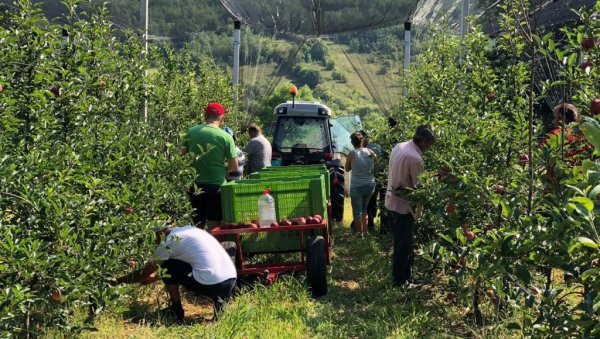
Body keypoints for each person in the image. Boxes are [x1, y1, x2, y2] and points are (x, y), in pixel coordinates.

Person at [114, 225, 237, 322]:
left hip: (212, 284)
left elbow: (143, 274)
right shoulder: (190, 230)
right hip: (230, 281)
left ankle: (176, 310)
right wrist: (156, 277)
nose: (155, 242)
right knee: (192, 265)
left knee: (168, 264)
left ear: (160, 234)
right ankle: (219, 300)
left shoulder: (168, 242)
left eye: (155, 238)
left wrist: (116, 281)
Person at [385, 124, 435, 287]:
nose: (430, 147)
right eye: (430, 143)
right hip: (404, 208)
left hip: (391, 202)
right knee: (402, 246)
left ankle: (407, 278)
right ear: (424, 141)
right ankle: (400, 281)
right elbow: (421, 189)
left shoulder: (400, 146)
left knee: (402, 243)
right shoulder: (415, 158)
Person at [181, 102, 238, 230]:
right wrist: (226, 170)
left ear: (205, 115)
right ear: (222, 118)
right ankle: (214, 248)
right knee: (215, 225)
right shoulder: (226, 137)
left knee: (196, 226)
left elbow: (181, 155)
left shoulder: (191, 132)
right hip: (215, 187)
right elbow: (234, 165)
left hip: (194, 186)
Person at [345, 131, 377, 238]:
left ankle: (360, 235)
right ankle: (366, 232)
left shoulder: (352, 154)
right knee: (364, 209)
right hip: (370, 185)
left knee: (357, 211)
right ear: (362, 140)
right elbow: (377, 164)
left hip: (357, 186)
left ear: (352, 142)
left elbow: (347, 168)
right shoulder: (371, 152)